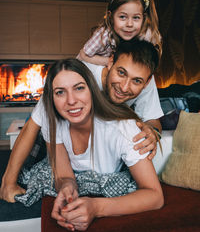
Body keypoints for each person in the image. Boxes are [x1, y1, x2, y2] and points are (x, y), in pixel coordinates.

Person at [0, 39, 163, 203]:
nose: (125, 87)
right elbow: (32, 124)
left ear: (146, 82)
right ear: (111, 61)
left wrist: (152, 132)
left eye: (136, 81)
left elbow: (153, 120)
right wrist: (9, 182)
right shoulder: (78, 76)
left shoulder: (126, 123)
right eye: (121, 73)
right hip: (54, 138)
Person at [41, 58, 164, 231]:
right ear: (52, 98)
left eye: (79, 88)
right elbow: (64, 175)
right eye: (60, 92)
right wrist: (67, 188)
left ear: (92, 89)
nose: (71, 101)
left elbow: (155, 196)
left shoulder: (124, 128)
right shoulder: (51, 119)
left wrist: (97, 207)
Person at [78, 0, 162, 66]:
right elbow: (83, 55)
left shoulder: (146, 36)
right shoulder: (104, 34)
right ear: (111, 17)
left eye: (136, 17)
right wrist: (112, 61)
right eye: (122, 17)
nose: (129, 24)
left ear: (143, 18)